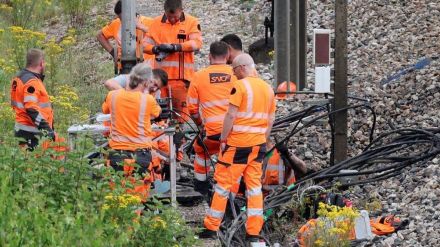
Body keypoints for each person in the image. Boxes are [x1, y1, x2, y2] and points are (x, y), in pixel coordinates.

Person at [202, 54, 276, 245]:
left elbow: (231, 115)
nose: (234, 75)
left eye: (234, 71)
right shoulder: (268, 89)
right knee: (254, 188)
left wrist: (223, 139)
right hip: (258, 145)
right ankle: (253, 231)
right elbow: (271, 120)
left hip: (237, 145)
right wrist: (263, 141)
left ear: (241, 68)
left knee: (223, 184)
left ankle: (211, 228)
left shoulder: (240, 86)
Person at [102, 63, 161, 201]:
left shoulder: (113, 96)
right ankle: (133, 222)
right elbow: (157, 113)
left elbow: (105, 109)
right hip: (140, 156)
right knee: (136, 200)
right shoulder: (148, 99)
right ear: (146, 82)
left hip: (117, 155)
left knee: (116, 198)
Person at [186, 41, 236, 194]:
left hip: (213, 132)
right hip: (235, 132)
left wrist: (201, 125)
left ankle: (201, 185)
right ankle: (234, 188)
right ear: (228, 56)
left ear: (209, 57)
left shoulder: (199, 76)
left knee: (201, 150)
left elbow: (192, 108)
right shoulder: (236, 73)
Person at [143, 0, 202, 118]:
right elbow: (144, 45)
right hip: (160, 80)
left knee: (181, 117)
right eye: (169, 17)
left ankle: (180, 136)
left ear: (181, 11)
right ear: (164, 12)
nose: (172, 20)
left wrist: (176, 47)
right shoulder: (156, 23)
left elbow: (197, 43)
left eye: (175, 17)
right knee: (161, 116)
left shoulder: (191, 22)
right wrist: (155, 49)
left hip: (181, 80)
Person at [10, 48, 55, 150]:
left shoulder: (18, 78)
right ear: (41, 63)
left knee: (25, 163)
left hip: (22, 130)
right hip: (33, 134)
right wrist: (46, 129)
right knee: (36, 164)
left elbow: (16, 105)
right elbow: (31, 109)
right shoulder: (32, 82)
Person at [97, 0, 154, 67]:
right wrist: (114, 54)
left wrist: (142, 27)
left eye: (125, 18)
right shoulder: (116, 23)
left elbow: (160, 36)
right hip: (125, 70)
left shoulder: (149, 22)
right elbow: (100, 35)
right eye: (120, 18)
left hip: (147, 70)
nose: (122, 21)